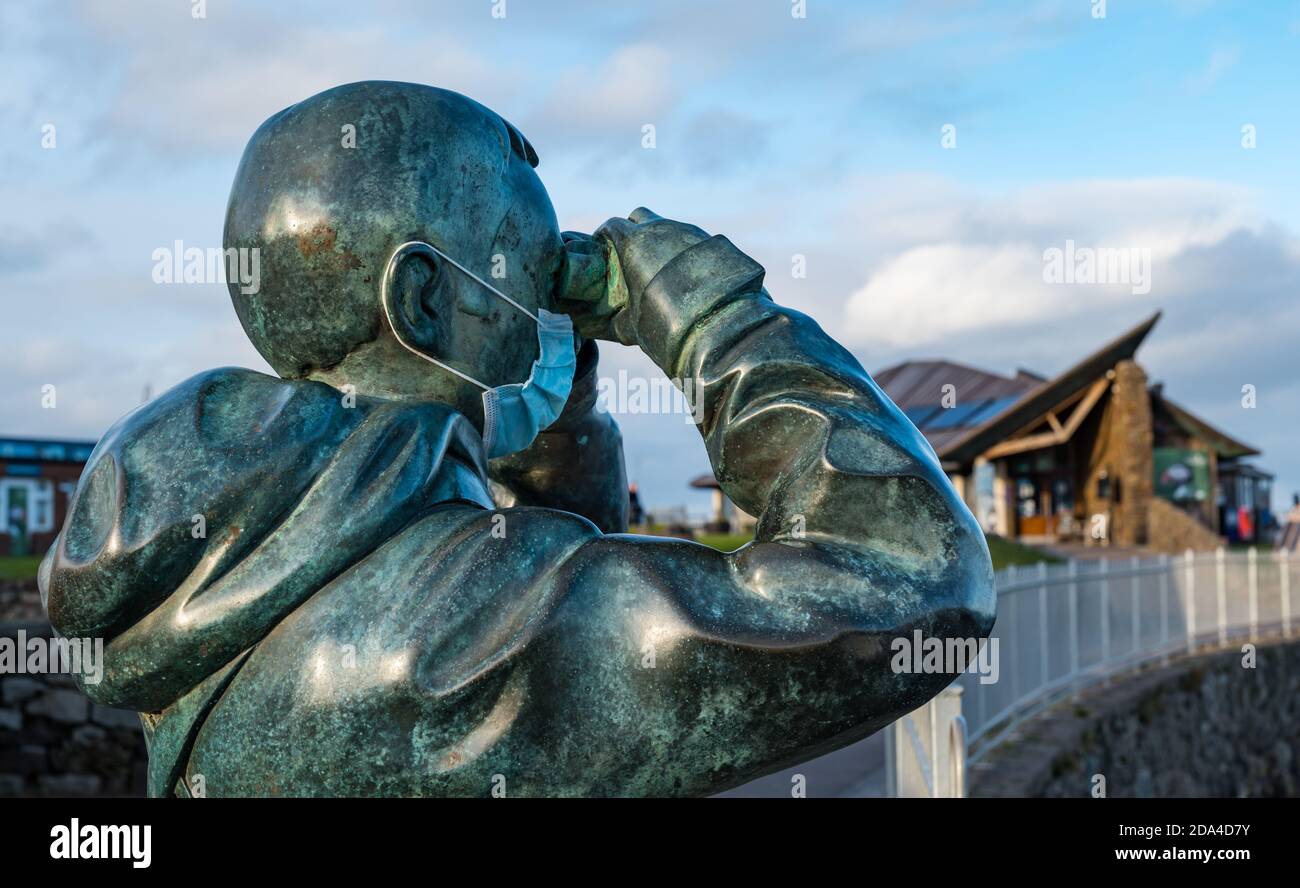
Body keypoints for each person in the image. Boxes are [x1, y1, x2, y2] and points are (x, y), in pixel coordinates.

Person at [42, 82, 994, 797]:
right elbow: (917, 580)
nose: (546, 284)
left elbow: (540, 565)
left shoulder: (234, 547)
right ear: (422, 300)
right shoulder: (447, 636)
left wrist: (562, 420)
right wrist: (722, 327)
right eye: (522, 259)